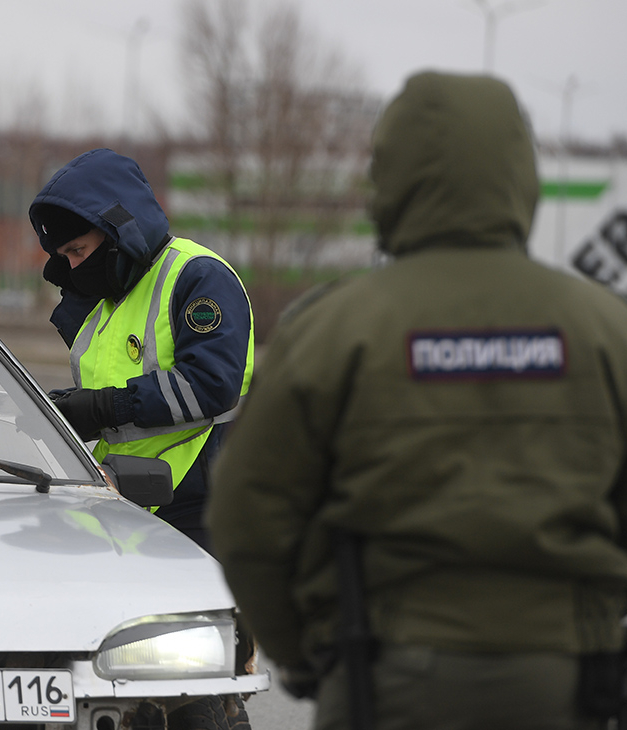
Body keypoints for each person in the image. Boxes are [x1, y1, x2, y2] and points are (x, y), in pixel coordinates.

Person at [206, 70, 627, 729]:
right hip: (565, 679)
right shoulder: (605, 329)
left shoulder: (336, 328)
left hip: (382, 675)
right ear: (523, 175)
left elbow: (244, 514)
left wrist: (304, 651)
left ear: (390, 180)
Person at [30, 148, 254, 552]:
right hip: (127, 500)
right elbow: (114, 388)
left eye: (78, 251)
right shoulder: (104, 299)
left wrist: (103, 408)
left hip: (200, 506)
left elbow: (210, 384)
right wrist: (65, 408)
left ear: (117, 227)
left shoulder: (197, 275)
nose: (75, 268)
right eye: (65, 257)